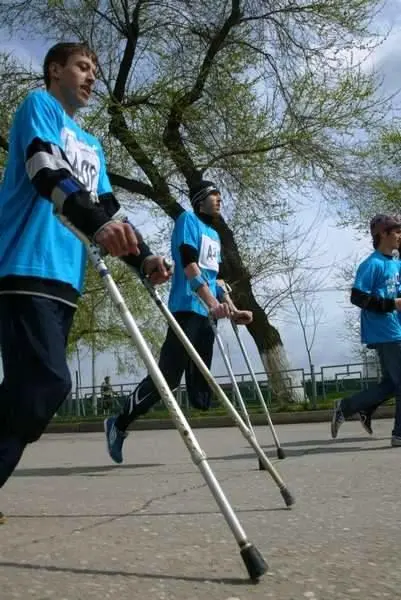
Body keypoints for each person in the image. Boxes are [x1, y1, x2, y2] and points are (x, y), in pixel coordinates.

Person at [0, 42, 170, 522]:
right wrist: (95, 223)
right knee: (47, 382)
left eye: (94, 70)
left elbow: (109, 211)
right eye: (81, 67)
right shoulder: (40, 106)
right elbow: (44, 167)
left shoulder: (92, 145)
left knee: (28, 387)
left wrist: (144, 257)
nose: (91, 76)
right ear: (55, 70)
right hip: (25, 265)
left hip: (66, 277)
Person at [104, 180, 253, 464]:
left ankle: (194, 401)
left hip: (207, 315)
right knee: (167, 379)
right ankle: (119, 423)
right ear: (200, 200)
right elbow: (189, 265)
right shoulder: (187, 220)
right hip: (186, 308)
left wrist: (233, 310)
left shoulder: (214, 234)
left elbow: (216, 280)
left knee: (200, 394)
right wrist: (213, 304)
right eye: (214, 195)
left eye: (220, 195)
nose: (219, 199)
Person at [331, 214, 401, 446]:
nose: (400, 236)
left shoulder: (396, 263)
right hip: (385, 331)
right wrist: (391, 304)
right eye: (397, 232)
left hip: (396, 328)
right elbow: (357, 297)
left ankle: (348, 406)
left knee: (391, 383)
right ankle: (399, 434)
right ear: (383, 234)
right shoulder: (371, 264)